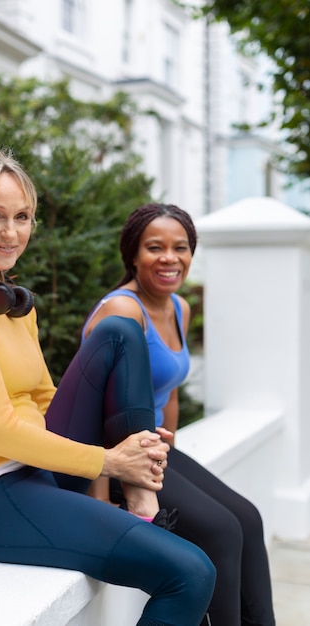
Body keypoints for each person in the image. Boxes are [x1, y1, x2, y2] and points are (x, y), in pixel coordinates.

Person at [0, 150, 216, 626]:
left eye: (22, 217)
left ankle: (139, 492)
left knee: (121, 330)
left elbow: (44, 400)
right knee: (190, 573)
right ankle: (132, 483)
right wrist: (110, 460)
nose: (11, 233)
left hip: (38, 467)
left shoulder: (10, 298)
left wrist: (127, 453)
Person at [82, 203, 276, 626]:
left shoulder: (178, 308)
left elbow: (167, 393)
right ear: (133, 255)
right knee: (221, 530)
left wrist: (178, 457)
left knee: (247, 518)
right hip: (117, 460)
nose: (170, 258)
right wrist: (99, 498)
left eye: (181, 247)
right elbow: (89, 404)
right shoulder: (122, 310)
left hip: (155, 451)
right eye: (155, 247)